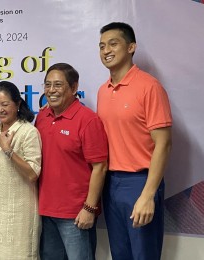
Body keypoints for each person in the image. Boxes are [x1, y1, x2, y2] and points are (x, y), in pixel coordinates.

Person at [97, 22, 172, 260]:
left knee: (143, 254)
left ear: (131, 47)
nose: (106, 50)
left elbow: (164, 144)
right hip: (111, 183)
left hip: (140, 182)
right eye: (101, 46)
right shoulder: (103, 90)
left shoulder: (149, 87)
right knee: (120, 254)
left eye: (113, 43)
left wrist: (148, 195)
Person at [35, 63, 108, 260]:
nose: (51, 90)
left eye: (58, 85)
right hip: (46, 210)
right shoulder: (42, 116)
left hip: (75, 214)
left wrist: (89, 208)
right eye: (47, 84)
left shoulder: (88, 120)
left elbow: (100, 167)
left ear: (74, 88)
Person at [0, 81, 41, 259]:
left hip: (17, 216)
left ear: (18, 103)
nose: (0, 109)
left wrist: (8, 151)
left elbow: (33, 174)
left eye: (5, 104)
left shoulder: (28, 132)